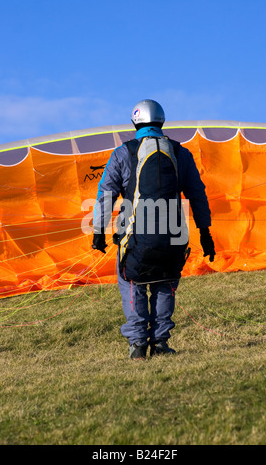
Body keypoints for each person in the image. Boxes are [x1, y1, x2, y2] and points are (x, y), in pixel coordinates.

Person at [92, 99, 215, 359]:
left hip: (135, 239)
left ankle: (137, 345)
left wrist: (98, 232)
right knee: (164, 283)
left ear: (135, 121)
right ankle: (160, 343)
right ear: (162, 121)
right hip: (174, 236)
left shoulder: (123, 153)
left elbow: (106, 194)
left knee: (133, 283)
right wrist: (205, 233)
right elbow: (198, 195)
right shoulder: (181, 154)